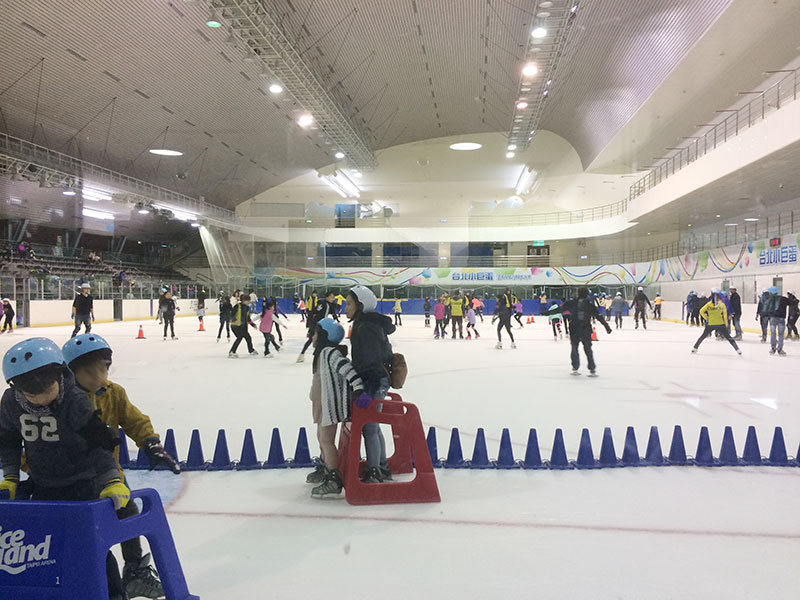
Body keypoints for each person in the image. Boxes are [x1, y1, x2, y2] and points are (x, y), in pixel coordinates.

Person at [0, 338, 129, 599]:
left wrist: (111, 480)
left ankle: (114, 594)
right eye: (31, 395)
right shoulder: (11, 403)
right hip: (44, 484)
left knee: (92, 547)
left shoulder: (74, 399)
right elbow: (9, 440)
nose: (40, 400)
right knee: (46, 547)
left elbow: (97, 442)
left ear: (60, 374)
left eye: (46, 391)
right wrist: (11, 477)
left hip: (83, 484)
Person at [62, 333, 180, 599]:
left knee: (128, 514)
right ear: (71, 373)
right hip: (73, 478)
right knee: (84, 532)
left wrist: (151, 444)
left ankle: (135, 571)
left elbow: (134, 420)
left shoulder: (114, 393)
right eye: (89, 372)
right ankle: (89, 578)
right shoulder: (63, 402)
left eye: (103, 368)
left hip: (110, 473)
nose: (98, 377)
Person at [304, 318, 364, 498]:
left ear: (324, 335)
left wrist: (359, 388)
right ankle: (326, 467)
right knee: (321, 437)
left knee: (326, 440)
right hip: (321, 405)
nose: (312, 337)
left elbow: (348, 370)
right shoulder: (323, 353)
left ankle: (334, 478)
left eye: (315, 333)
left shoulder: (330, 353)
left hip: (329, 407)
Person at [345, 285, 395, 483]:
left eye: (349, 303)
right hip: (372, 380)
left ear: (361, 305)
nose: (345, 308)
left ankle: (375, 470)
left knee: (369, 426)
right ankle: (381, 466)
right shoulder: (363, 323)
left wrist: (367, 390)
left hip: (374, 381)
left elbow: (372, 361)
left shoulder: (366, 327)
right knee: (372, 425)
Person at [550, 287, 612, 376]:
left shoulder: (572, 302)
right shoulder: (588, 304)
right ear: (587, 294)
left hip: (575, 328)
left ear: (578, 293)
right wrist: (606, 326)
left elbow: (559, 309)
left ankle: (575, 367)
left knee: (575, 348)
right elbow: (598, 316)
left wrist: (547, 312)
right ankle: (592, 369)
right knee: (587, 349)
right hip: (584, 328)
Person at [691, 289, 742, 355]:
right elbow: (725, 316)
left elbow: (701, 311)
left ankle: (695, 348)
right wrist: (726, 324)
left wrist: (707, 318)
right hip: (720, 324)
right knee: (729, 338)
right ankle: (737, 349)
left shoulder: (709, 304)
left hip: (710, 324)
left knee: (703, 336)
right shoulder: (722, 305)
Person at [297, 291, 337, 363]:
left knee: (322, 340)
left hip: (322, 325)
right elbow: (314, 311)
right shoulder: (322, 303)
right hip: (316, 324)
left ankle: (319, 356)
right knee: (311, 339)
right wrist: (310, 323)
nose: (333, 298)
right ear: (327, 297)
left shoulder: (330, 304)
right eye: (331, 297)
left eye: (333, 297)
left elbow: (333, 313)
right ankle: (302, 354)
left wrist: (336, 320)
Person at [764, 286, 788, 356]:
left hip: (773, 318)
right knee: (781, 334)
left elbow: (765, 310)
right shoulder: (783, 299)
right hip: (781, 318)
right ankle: (780, 349)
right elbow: (792, 302)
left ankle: (773, 348)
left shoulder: (768, 300)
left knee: (773, 333)